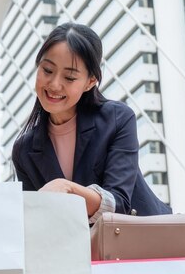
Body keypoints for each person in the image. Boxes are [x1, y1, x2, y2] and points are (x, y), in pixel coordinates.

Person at [12, 22, 172, 225]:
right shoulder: (24, 150)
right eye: (47, 70)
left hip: (143, 242)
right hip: (77, 251)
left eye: (69, 77)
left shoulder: (118, 119)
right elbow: (37, 220)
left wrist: (67, 188)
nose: (54, 84)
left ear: (90, 82)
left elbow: (119, 203)